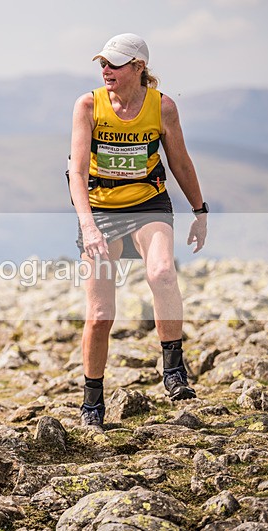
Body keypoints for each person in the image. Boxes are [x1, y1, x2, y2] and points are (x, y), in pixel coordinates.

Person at [68, 34, 208, 430]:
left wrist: (200, 210)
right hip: (100, 208)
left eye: (114, 63)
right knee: (99, 314)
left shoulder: (162, 106)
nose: (106, 70)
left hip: (149, 203)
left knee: (161, 272)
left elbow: (179, 160)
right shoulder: (88, 105)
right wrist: (88, 225)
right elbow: (76, 170)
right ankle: (92, 401)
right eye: (103, 64)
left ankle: (174, 369)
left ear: (139, 67)